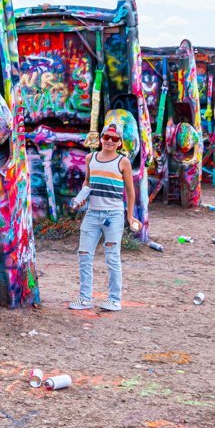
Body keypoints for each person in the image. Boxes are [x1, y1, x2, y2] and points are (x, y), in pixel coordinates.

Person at [67, 122, 138, 313]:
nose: (109, 141)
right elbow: (88, 183)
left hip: (113, 215)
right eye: (107, 137)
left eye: (114, 139)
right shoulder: (90, 158)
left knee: (112, 257)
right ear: (101, 138)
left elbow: (130, 192)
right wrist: (81, 198)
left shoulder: (123, 162)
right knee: (83, 254)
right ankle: (84, 298)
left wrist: (129, 216)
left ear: (119, 143)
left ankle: (115, 299)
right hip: (92, 214)